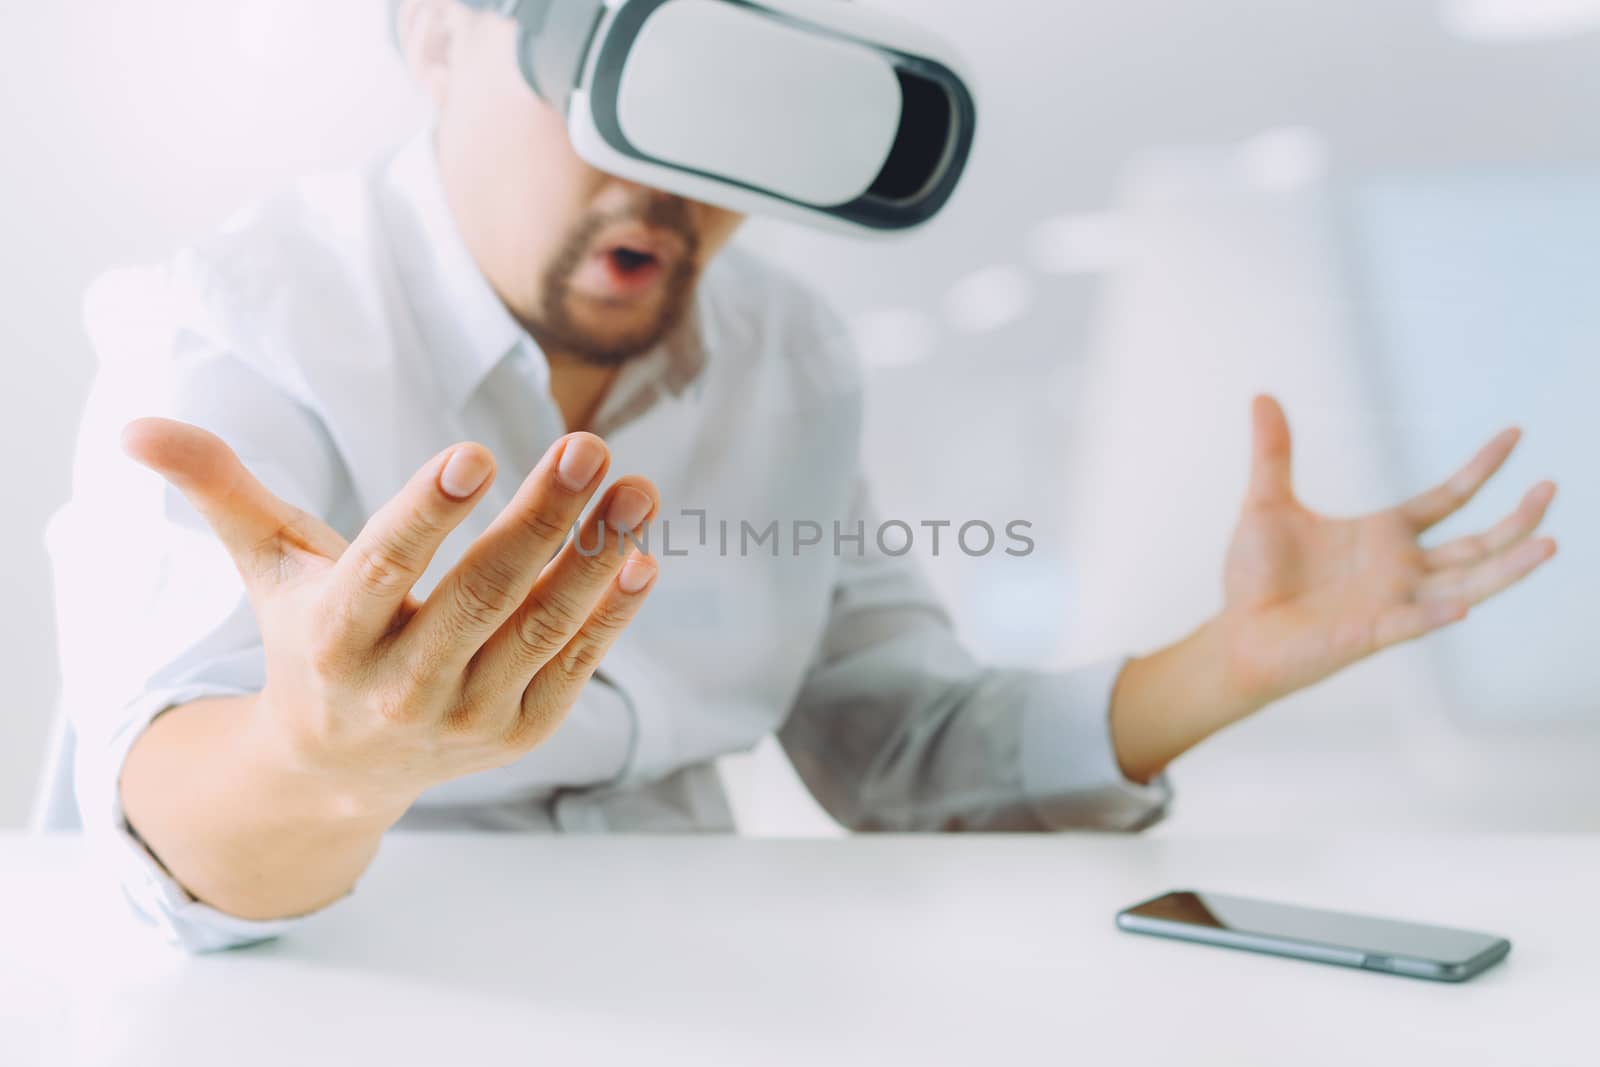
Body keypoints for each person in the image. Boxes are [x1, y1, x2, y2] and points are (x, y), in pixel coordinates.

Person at [47, 0, 1559, 952]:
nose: (670, 174)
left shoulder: (787, 353)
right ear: (437, 34)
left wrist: (1228, 662)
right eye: (623, 70)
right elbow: (168, 822)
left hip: (705, 988)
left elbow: (901, 750)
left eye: (737, 105)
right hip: (341, 986)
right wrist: (324, 758)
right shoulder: (243, 324)